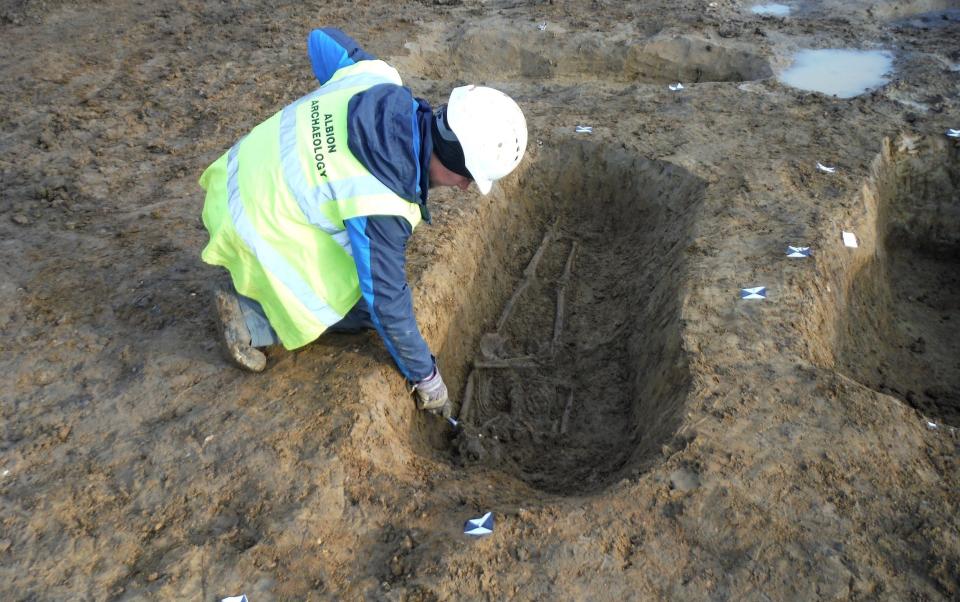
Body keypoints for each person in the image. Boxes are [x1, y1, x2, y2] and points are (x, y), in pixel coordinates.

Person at [198, 28, 527, 415]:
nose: (465, 189)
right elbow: (387, 302)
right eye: (468, 179)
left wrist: (326, 117)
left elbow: (322, 39)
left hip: (228, 185)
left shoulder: (374, 78)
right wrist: (428, 379)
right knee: (360, 301)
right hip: (254, 232)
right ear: (455, 163)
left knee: (360, 263)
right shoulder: (382, 202)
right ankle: (252, 318)